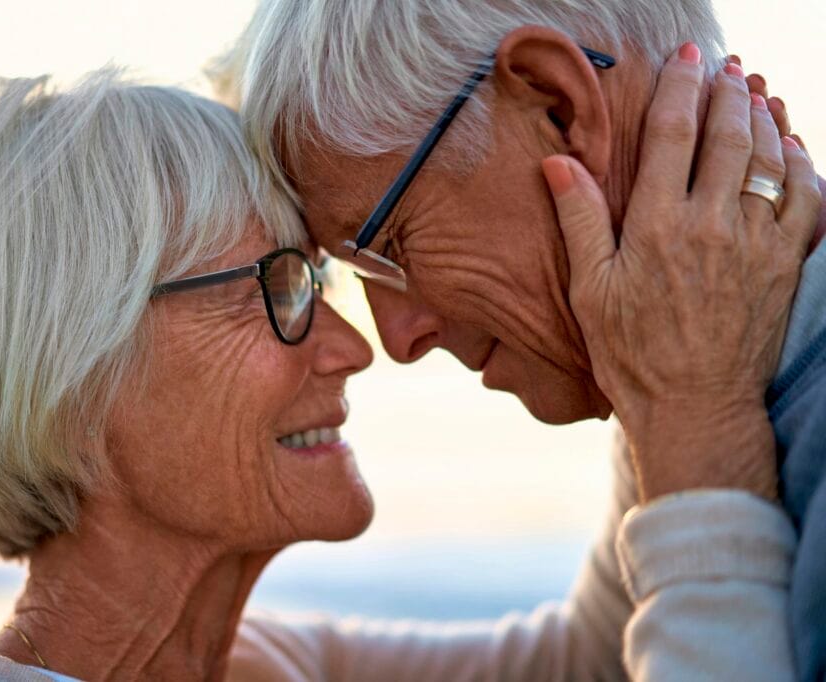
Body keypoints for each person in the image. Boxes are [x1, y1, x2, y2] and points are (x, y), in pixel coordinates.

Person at [0, 60, 812, 682]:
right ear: (68, 385)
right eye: (276, 288)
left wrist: (657, 350)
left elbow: (588, 661)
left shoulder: (260, 667)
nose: (353, 346)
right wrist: (688, 403)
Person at [221, 0, 826, 679]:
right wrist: (213, 655)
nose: (396, 340)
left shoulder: (697, 393)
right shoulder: (680, 357)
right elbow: (599, 660)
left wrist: (698, 424)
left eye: (387, 246)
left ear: (558, 107)